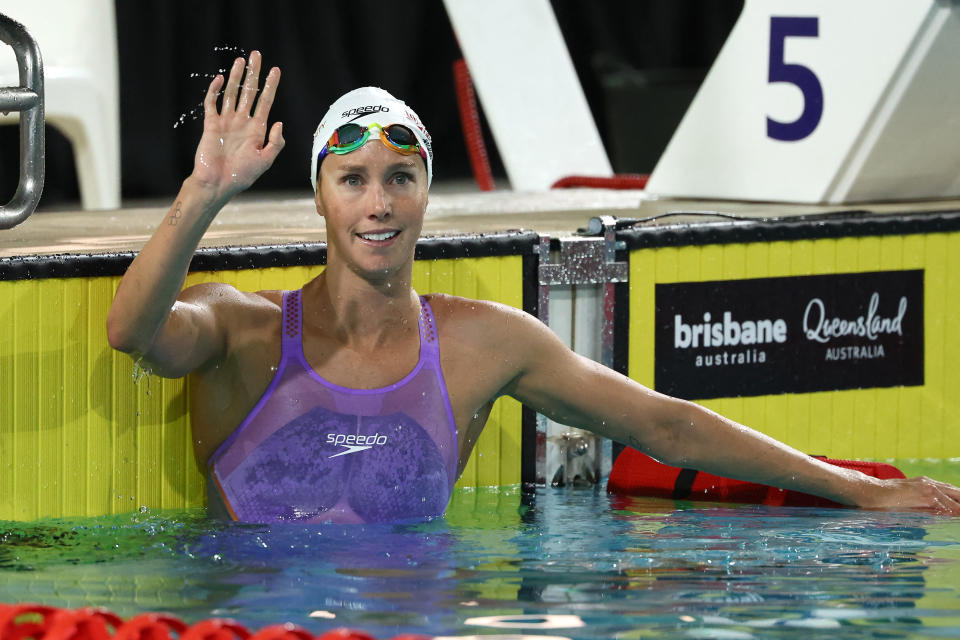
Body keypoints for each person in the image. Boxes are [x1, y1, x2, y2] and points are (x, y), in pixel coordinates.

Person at [107, 52, 960, 523]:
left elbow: (665, 425)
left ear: (428, 193)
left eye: (402, 178)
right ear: (321, 195)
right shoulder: (242, 329)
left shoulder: (485, 343)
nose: (379, 204)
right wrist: (203, 195)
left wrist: (860, 489)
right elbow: (131, 332)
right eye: (355, 179)